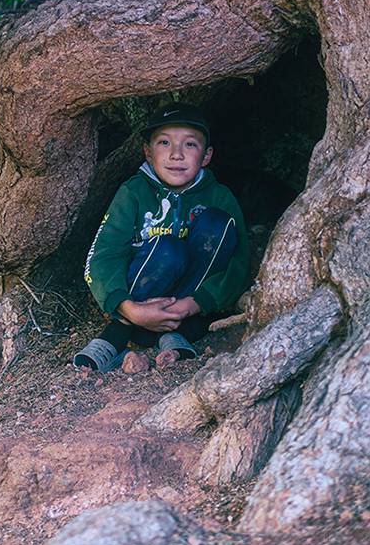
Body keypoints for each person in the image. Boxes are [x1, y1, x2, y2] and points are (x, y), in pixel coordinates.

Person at [73, 104, 249, 375]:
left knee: (218, 225)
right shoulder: (133, 192)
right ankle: (118, 332)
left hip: (188, 308)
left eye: (190, 144)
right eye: (164, 142)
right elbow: (104, 254)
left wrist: (194, 304)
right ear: (147, 151)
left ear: (206, 156)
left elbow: (239, 261)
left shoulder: (220, 197)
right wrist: (127, 308)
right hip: (137, 305)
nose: (176, 154)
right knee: (167, 248)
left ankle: (181, 331)